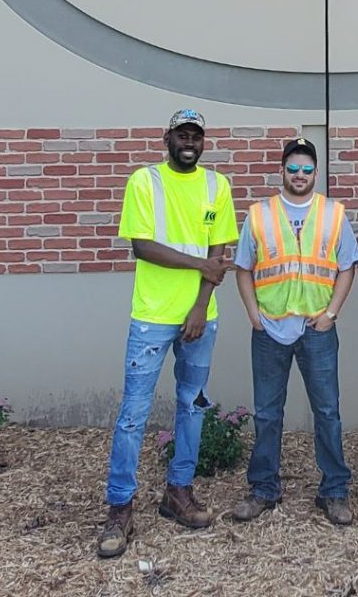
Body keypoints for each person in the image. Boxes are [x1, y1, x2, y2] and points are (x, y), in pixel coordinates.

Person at [97, 109, 238, 559]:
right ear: (168, 139)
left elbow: (219, 253)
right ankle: (120, 506)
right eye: (182, 134)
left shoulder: (218, 186)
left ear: (203, 141)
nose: (189, 141)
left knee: (193, 405)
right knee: (134, 413)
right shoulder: (145, 181)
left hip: (201, 315)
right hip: (152, 316)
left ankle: (178, 492)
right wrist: (199, 266)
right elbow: (142, 246)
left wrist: (200, 306)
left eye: (196, 135)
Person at [232, 137, 358, 525]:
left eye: (307, 169)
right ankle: (264, 489)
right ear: (282, 171)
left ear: (316, 174)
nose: (300, 175)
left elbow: (347, 265)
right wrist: (254, 315)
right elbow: (243, 267)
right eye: (293, 168)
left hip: (317, 328)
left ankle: (334, 491)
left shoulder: (334, 213)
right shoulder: (259, 214)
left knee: (328, 411)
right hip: (270, 328)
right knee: (268, 413)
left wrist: (332, 313)